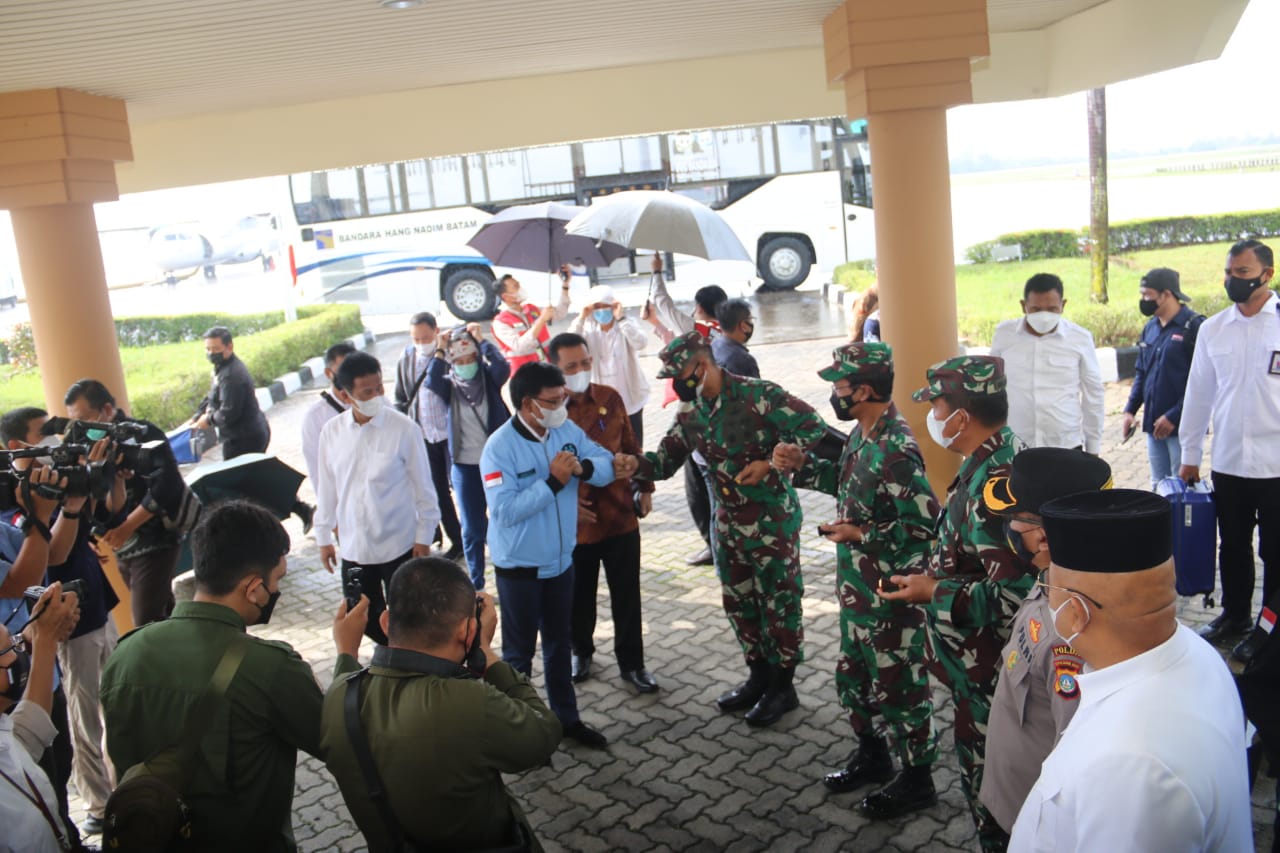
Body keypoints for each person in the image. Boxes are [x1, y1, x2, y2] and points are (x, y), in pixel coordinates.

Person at [101, 501, 368, 853]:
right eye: (278, 581)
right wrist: (347, 654)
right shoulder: (271, 668)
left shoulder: (124, 655)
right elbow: (340, 743)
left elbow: (118, 760)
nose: (277, 590)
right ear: (254, 588)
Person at [1008, 490, 1253, 852]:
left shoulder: (1129, 769)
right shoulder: (1199, 654)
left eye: (1049, 587)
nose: (1045, 596)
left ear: (1077, 612)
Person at [623, 332, 826, 727]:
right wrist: (633, 465)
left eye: (679, 374)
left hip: (771, 523)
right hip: (728, 526)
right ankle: (758, 678)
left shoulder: (758, 395)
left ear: (700, 366)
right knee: (741, 605)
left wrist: (773, 462)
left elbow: (811, 426)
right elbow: (665, 460)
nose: (675, 383)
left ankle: (783, 688)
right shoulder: (691, 412)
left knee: (778, 606)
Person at [773, 342, 940, 817]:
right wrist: (803, 467)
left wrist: (862, 532)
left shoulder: (896, 448)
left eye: (840, 387)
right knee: (854, 680)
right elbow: (849, 486)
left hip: (890, 596)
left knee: (901, 690)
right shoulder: (863, 434)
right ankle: (873, 756)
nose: (835, 394)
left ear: (863, 390)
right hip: (857, 592)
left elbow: (925, 526)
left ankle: (918, 778)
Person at [879, 355, 1028, 852]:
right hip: (977, 671)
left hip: (992, 678)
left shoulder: (995, 488)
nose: (932, 415)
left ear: (962, 416)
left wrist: (932, 592)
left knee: (997, 805)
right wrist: (933, 573)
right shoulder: (989, 460)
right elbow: (974, 561)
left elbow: (1015, 594)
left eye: (938, 405)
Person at [320, 558, 561, 853]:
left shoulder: (338, 697)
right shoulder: (469, 702)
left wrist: (347, 651)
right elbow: (544, 734)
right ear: (466, 632)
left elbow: (346, 677)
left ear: (384, 622)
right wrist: (487, 654)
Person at [480, 362, 617, 749]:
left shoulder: (564, 431)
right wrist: (553, 482)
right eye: (554, 401)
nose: (563, 407)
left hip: (560, 563)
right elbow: (504, 511)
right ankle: (516, 730)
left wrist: (585, 467)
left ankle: (566, 720)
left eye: (564, 399)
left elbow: (603, 462)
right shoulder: (499, 448)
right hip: (519, 567)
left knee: (560, 644)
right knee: (518, 656)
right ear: (528, 404)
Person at [977, 447, 1113, 834]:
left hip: (1031, 821)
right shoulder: (1054, 580)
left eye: (1013, 520)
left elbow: (1074, 754)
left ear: (1043, 538)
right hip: (1014, 799)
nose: (1006, 529)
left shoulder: (1068, 634)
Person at [1, 407, 119, 837]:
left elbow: (60, 550)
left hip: (41, 660)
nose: (50, 443)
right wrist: (37, 516)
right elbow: (25, 577)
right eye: (42, 435)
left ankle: (65, 829)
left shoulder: (33, 490)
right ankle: (82, 815)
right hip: (16, 670)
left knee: (56, 761)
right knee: (44, 760)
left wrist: (71, 502)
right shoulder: (17, 502)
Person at [1179, 238, 1280, 663]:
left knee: (1275, 553)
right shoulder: (1213, 328)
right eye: (1228, 272)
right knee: (1233, 545)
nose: (1232, 280)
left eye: (1241, 273)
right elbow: (1198, 393)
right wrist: (1189, 454)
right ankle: (1235, 616)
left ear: (1267, 275)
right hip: (1230, 462)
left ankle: (1270, 629)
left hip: (1277, 465)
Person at [548, 333, 658, 694]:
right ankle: (581, 651)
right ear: (555, 369)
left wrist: (644, 486)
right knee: (579, 593)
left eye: (584, 363)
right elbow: (538, 469)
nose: (579, 371)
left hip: (620, 513)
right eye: (570, 367)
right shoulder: (548, 413)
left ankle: (633, 663)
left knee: (627, 592)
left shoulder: (610, 398)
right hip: (576, 523)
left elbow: (630, 446)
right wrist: (562, 504)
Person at [315, 352, 440, 644]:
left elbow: (425, 488)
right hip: (355, 549)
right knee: (364, 619)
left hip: (400, 546)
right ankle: (388, 659)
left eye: (379, 388)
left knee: (409, 617)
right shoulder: (331, 433)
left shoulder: (404, 429)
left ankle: (406, 665)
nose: (376, 396)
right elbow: (327, 488)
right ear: (345, 396)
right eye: (366, 392)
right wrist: (323, 537)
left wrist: (424, 537)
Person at [65, 378, 184, 625]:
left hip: (156, 538)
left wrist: (127, 525)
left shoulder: (143, 433)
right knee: (163, 614)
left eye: (86, 420)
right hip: (122, 545)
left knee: (145, 620)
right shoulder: (84, 445)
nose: (82, 427)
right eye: (76, 422)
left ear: (107, 410)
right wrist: (87, 537)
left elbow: (168, 484)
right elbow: (85, 499)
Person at [640, 253, 729, 567]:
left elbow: (662, 302)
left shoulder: (697, 330)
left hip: (697, 420)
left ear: (701, 308)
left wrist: (656, 272)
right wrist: (654, 323)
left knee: (699, 486)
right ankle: (721, 547)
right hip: (726, 422)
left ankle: (715, 548)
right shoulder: (728, 335)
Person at [426, 325, 511, 590]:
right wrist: (440, 348)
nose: (465, 365)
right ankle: (476, 584)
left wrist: (481, 340)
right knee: (472, 529)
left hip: (497, 464)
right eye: (459, 361)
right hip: (465, 467)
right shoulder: (449, 387)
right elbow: (431, 379)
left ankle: (509, 569)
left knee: (503, 517)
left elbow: (502, 365)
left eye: (469, 359)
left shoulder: (490, 378)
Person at [0, 584, 79, 853]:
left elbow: (26, 735)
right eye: (8, 650)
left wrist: (40, 638)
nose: (17, 655)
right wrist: (44, 639)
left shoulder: (5, 734)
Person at [989, 273, 1104, 454]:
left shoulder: (1080, 338)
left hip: (1064, 444)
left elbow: (1093, 393)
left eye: (1052, 309)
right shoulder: (1004, 335)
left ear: (1063, 305)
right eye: (1036, 309)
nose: (1044, 316)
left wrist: (1093, 446)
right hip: (1015, 444)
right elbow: (992, 386)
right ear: (1023, 306)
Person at [1121, 268, 1205, 487]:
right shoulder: (1150, 327)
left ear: (1166, 294)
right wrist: (1130, 411)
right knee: (1159, 486)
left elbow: (1203, 383)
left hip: (1182, 428)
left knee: (1183, 488)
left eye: (1147, 295)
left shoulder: (1194, 327)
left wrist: (1174, 416)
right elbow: (1141, 372)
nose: (1143, 300)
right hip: (1154, 425)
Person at [394, 312, 464, 560]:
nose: (421, 342)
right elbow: (401, 397)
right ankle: (454, 540)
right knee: (435, 492)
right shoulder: (407, 357)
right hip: (423, 436)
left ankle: (472, 536)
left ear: (436, 331)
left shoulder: (451, 353)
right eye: (416, 338)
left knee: (461, 488)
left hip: (452, 435)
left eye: (425, 337)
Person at [568, 284, 651, 444]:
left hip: (629, 397)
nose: (601, 311)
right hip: (601, 399)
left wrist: (622, 319)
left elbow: (640, 343)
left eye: (605, 306)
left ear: (613, 305)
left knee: (633, 443)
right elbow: (569, 342)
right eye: (596, 307)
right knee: (606, 443)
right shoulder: (587, 330)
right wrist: (581, 317)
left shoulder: (626, 324)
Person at [193, 325, 271, 458]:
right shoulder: (223, 368)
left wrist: (208, 420)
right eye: (208, 349)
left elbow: (228, 412)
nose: (212, 353)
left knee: (241, 477)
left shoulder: (231, 375)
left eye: (216, 349)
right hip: (248, 433)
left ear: (229, 347)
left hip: (244, 439)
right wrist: (199, 414)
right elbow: (215, 394)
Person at [300, 341, 355, 498]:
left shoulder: (379, 404)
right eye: (342, 370)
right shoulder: (315, 417)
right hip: (343, 498)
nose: (349, 376)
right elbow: (316, 468)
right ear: (329, 373)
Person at [490, 270, 571, 372]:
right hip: (525, 373)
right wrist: (541, 320)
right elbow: (519, 346)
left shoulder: (532, 309)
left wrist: (565, 285)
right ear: (506, 296)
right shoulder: (500, 322)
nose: (520, 289)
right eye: (515, 287)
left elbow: (560, 313)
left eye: (519, 285)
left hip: (547, 365)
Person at [712, 298, 761, 379]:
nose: (752, 323)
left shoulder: (714, 345)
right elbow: (756, 390)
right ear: (743, 326)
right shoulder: (744, 360)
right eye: (751, 319)